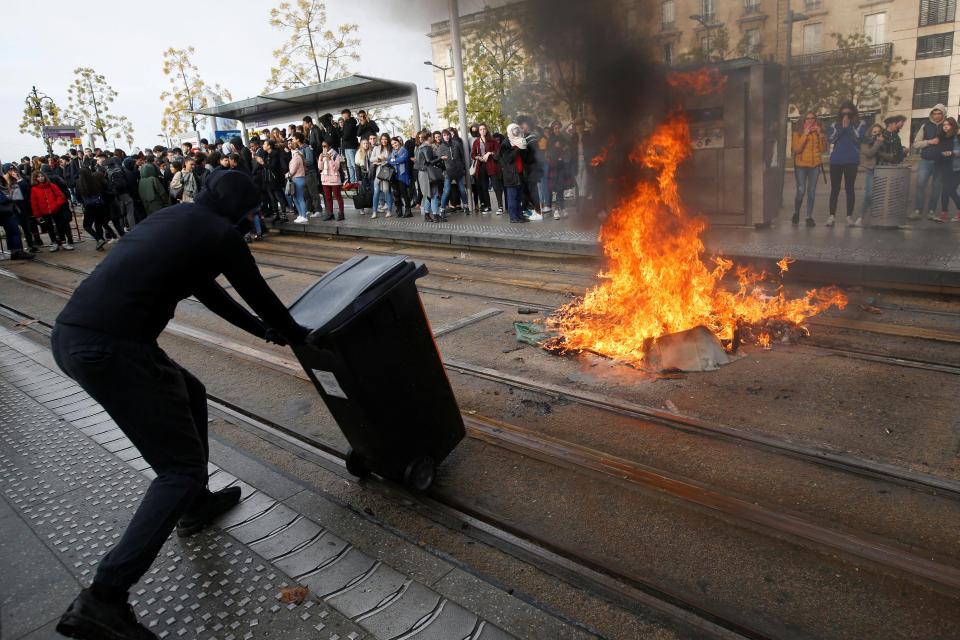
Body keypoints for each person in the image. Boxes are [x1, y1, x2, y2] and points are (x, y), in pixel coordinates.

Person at [52, 171, 308, 640]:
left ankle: (196, 507)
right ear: (238, 208)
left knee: (189, 391)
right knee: (178, 469)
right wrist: (297, 334)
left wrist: (264, 332)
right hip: (112, 350)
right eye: (252, 212)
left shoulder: (177, 218)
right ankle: (103, 598)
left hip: (74, 337)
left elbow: (209, 292)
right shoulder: (221, 233)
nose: (254, 220)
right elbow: (258, 293)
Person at [826, 101, 866, 227]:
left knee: (850, 189)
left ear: (853, 113)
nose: (846, 116)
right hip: (836, 160)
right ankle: (832, 216)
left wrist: (848, 127)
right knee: (835, 189)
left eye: (849, 113)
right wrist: (842, 128)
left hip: (851, 160)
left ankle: (849, 217)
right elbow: (831, 139)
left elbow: (859, 138)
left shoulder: (860, 124)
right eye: (844, 113)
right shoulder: (834, 124)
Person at [791, 111, 827, 226]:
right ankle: (796, 212)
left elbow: (823, 149)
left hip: (815, 166)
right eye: (808, 119)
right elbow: (796, 149)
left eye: (812, 118)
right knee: (801, 191)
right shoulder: (798, 133)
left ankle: (809, 217)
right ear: (803, 120)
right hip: (801, 166)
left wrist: (821, 136)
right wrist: (805, 135)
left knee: (811, 191)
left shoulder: (817, 132)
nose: (810, 120)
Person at [912, 104, 947, 221]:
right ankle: (918, 210)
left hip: (941, 162)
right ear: (931, 114)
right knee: (920, 185)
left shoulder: (948, 126)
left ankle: (931, 211)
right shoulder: (925, 126)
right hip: (925, 161)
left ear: (943, 114)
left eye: (939, 113)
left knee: (936, 188)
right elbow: (916, 143)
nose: (936, 116)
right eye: (934, 113)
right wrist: (929, 142)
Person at [29, 171, 75, 251]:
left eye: (42, 176)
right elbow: (34, 203)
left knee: (60, 226)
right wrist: (37, 215)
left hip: (56, 210)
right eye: (38, 177)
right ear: (35, 178)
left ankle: (63, 242)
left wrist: (56, 204)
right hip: (44, 212)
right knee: (49, 228)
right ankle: (54, 243)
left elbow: (61, 196)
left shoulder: (52, 185)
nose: (41, 178)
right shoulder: (34, 189)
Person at [0, 166, 34, 260]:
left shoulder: (4, 178)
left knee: (14, 231)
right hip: (6, 207)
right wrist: (8, 197)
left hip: (8, 210)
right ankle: (16, 251)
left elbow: (17, 195)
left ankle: (16, 251)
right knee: (13, 231)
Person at [857, 123, 884, 229]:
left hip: (882, 169)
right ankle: (861, 217)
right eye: (874, 132)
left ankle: (877, 218)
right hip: (871, 169)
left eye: (878, 132)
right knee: (869, 194)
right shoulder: (865, 141)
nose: (876, 134)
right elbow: (869, 153)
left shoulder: (883, 140)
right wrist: (878, 143)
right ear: (870, 132)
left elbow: (886, 154)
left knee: (880, 195)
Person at [76, 168, 111, 250]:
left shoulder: (79, 183)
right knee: (98, 224)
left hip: (89, 206)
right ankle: (100, 244)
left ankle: (99, 239)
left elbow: (78, 197)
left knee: (86, 225)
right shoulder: (95, 180)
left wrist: (83, 202)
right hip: (100, 205)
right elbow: (103, 191)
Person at [499, 124, 528, 223]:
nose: (516, 132)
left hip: (519, 173)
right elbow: (507, 159)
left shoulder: (520, 139)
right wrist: (517, 148)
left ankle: (520, 216)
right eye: (514, 130)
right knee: (512, 198)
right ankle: (513, 217)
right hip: (511, 175)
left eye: (517, 130)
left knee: (519, 197)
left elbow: (524, 156)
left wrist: (523, 147)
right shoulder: (505, 143)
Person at [935, 117, 960, 222]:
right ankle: (944, 214)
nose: (945, 126)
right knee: (945, 190)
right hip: (945, 166)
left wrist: (952, 153)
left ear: (953, 125)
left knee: (950, 189)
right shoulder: (942, 137)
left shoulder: (957, 136)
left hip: (956, 168)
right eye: (944, 124)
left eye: (948, 124)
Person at [415, 131, 443, 222]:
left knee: (428, 195)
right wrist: (440, 158)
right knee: (434, 194)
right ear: (429, 137)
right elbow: (428, 161)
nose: (433, 138)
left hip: (422, 173)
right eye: (432, 137)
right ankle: (436, 216)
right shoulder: (427, 147)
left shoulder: (420, 147)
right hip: (428, 173)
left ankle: (427, 215)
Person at [439, 129, 469, 214]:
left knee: (462, 190)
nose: (446, 137)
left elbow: (462, 157)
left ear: (450, 135)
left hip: (458, 170)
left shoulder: (457, 144)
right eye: (444, 135)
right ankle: (442, 209)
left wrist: (463, 168)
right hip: (448, 172)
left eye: (447, 135)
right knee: (447, 191)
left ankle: (466, 206)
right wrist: (441, 161)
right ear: (442, 137)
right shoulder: (441, 147)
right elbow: (438, 160)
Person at [471, 123, 498, 213]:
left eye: (484, 129)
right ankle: (487, 206)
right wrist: (478, 157)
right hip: (481, 166)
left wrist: (489, 153)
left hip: (491, 165)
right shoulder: (476, 141)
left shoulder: (492, 140)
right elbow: (473, 154)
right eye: (481, 129)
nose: (482, 131)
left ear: (486, 130)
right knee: (484, 187)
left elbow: (498, 151)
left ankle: (500, 207)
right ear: (479, 131)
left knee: (495, 185)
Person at [318, 141, 344, 221]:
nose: (323, 148)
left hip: (334, 179)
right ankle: (330, 213)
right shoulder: (321, 154)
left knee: (338, 196)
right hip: (325, 178)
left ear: (329, 146)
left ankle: (341, 213)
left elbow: (336, 168)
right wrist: (321, 159)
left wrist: (330, 159)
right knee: (328, 197)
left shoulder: (335, 154)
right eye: (322, 146)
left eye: (325, 146)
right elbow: (320, 168)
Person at [388, 137, 412, 218]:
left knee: (404, 193)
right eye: (392, 144)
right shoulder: (393, 152)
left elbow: (403, 159)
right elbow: (389, 160)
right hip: (394, 175)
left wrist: (393, 161)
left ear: (399, 142)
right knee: (396, 194)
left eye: (395, 142)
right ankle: (399, 211)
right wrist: (394, 160)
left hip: (402, 175)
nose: (394, 145)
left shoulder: (404, 150)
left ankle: (408, 211)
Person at [370, 133, 392, 218]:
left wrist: (385, 160)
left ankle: (389, 210)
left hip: (387, 172)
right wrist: (378, 158)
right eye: (382, 139)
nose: (384, 141)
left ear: (388, 140)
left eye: (385, 139)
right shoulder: (376, 148)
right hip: (378, 173)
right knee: (376, 192)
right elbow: (371, 159)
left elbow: (392, 160)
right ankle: (374, 211)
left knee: (386, 190)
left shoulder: (391, 149)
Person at [287, 135, 309, 224]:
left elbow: (292, 171)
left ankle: (303, 216)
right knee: (296, 198)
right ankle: (301, 214)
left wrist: (287, 175)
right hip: (298, 178)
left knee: (299, 198)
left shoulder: (296, 156)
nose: (289, 145)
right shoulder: (297, 154)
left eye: (290, 143)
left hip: (298, 179)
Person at [354, 138, 374, 214]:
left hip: (371, 174)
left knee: (372, 191)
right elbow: (357, 167)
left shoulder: (370, 152)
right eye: (364, 143)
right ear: (361, 145)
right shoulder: (358, 153)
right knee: (362, 192)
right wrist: (359, 179)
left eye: (367, 143)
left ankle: (372, 205)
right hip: (363, 175)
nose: (366, 145)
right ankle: (361, 208)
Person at [340, 109, 359, 183]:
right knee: (349, 165)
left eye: (345, 114)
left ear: (348, 114)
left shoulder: (351, 122)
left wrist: (342, 137)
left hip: (351, 146)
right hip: (346, 146)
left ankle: (357, 181)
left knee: (353, 164)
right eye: (343, 115)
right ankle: (352, 181)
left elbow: (346, 135)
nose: (343, 116)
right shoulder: (346, 123)